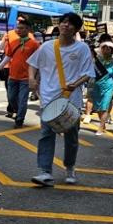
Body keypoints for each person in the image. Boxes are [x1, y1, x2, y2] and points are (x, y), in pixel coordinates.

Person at [28, 13, 95, 186]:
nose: (66, 25)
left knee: (71, 137)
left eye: (70, 23)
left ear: (76, 29)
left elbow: (88, 73)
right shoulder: (47, 46)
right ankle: (44, 172)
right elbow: (33, 64)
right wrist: (31, 79)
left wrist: (75, 84)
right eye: (64, 22)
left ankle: (70, 167)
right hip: (49, 99)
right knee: (46, 134)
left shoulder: (82, 49)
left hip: (71, 101)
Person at [0, 18, 40, 128]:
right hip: (13, 76)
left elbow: (38, 61)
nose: (18, 30)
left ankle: (19, 119)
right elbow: (8, 56)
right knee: (11, 98)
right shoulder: (13, 41)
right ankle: (19, 111)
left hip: (26, 78)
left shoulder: (34, 44)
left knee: (22, 99)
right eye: (17, 28)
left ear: (28, 30)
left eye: (21, 28)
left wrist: (35, 78)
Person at [85, 41, 113, 135]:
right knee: (98, 108)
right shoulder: (96, 60)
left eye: (108, 48)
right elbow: (90, 73)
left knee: (104, 107)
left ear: (112, 50)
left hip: (108, 86)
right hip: (97, 86)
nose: (106, 49)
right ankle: (103, 124)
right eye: (104, 47)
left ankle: (100, 127)